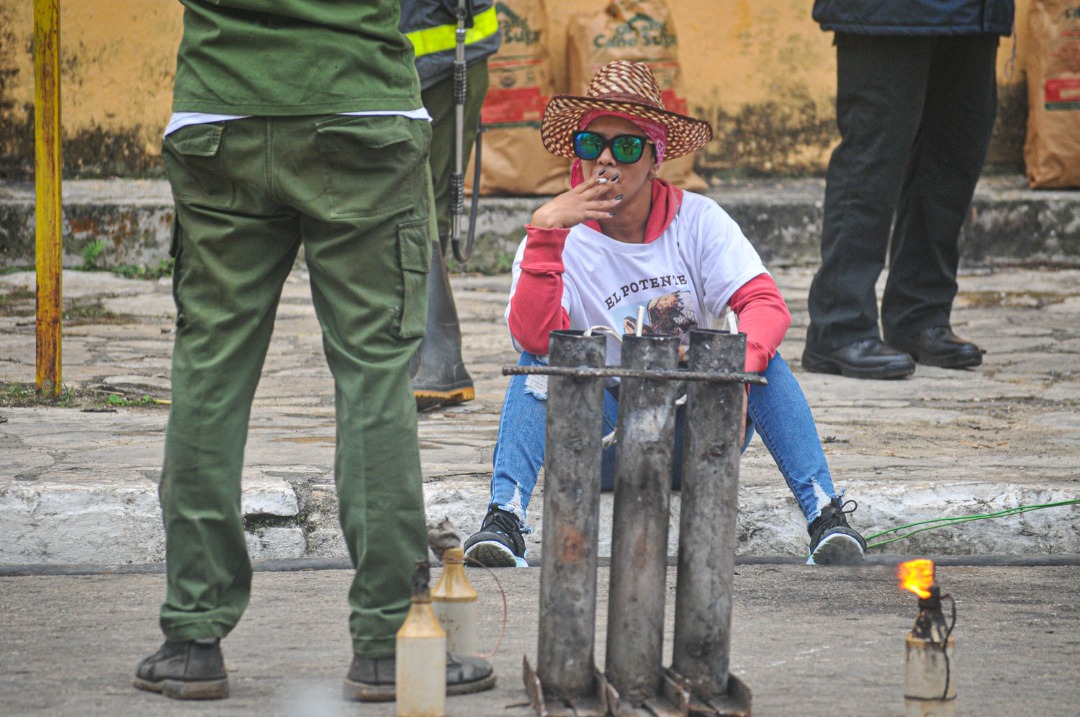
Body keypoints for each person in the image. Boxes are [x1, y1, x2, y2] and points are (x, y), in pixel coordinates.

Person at [133, 0, 494, 702]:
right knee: (374, 378)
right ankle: (393, 640)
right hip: (359, 107)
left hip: (221, 109)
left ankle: (191, 639)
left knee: (209, 371)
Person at [462, 61, 866, 570]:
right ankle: (504, 519)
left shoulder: (698, 221)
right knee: (537, 363)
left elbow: (765, 305)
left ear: (655, 158)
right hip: (598, 441)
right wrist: (545, 232)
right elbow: (532, 334)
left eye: (627, 146)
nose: (607, 160)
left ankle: (826, 516)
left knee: (764, 359)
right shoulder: (554, 237)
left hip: (700, 434)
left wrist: (734, 367)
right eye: (593, 144)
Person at [801, 0, 1015, 380]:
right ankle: (839, 327)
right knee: (872, 156)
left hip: (975, 14)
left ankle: (919, 316)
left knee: (954, 154)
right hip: (886, 12)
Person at [400, 0, 501, 409]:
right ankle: (425, 359)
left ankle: (436, 359)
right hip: (400, 60)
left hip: (442, 56)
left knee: (421, 207)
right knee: (409, 204)